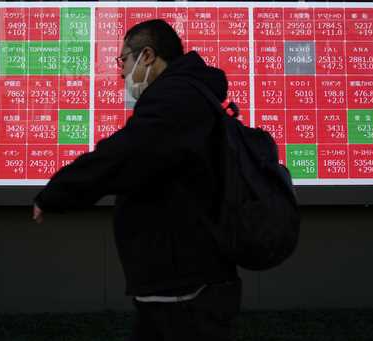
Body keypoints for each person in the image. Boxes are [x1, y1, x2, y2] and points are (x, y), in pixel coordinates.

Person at [33, 19, 241, 341]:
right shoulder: (191, 96)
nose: (120, 72)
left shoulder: (175, 100)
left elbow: (120, 156)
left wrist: (56, 193)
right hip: (188, 278)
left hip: (183, 286)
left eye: (123, 60)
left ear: (147, 56)